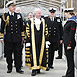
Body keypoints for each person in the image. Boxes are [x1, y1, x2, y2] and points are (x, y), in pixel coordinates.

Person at [0, 1, 25, 74]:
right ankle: (9, 67)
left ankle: (18, 68)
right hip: (9, 38)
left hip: (17, 38)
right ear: (8, 8)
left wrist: (23, 36)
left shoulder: (18, 15)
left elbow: (21, 27)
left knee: (18, 53)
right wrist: (1, 37)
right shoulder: (5, 16)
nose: (14, 8)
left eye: (14, 6)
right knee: (9, 54)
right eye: (12, 7)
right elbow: (2, 28)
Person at [25, 8, 49, 76]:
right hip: (33, 41)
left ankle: (39, 68)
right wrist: (28, 41)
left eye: (40, 13)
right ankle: (34, 69)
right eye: (39, 13)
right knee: (33, 54)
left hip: (42, 41)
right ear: (35, 14)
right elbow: (27, 32)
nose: (40, 14)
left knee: (41, 54)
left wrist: (47, 40)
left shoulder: (43, 21)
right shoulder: (30, 21)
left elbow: (46, 31)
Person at [62, 8, 77, 77]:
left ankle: (71, 74)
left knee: (70, 59)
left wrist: (69, 44)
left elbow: (72, 34)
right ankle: (69, 73)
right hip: (66, 43)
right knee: (68, 59)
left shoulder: (73, 22)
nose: (65, 15)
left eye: (65, 13)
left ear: (68, 13)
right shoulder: (69, 21)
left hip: (69, 43)